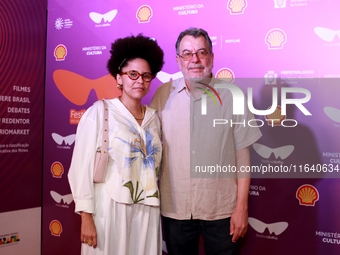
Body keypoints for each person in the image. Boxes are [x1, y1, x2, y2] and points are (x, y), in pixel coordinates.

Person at [150, 27, 262, 255]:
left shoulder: (233, 96)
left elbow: (243, 156)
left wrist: (241, 207)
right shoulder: (162, 95)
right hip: (176, 210)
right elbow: (148, 148)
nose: (195, 59)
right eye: (188, 54)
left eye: (202, 52)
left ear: (211, 57)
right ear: (178, 60)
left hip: (222, 210)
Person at [68, 34, 164, 255]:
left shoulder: (154, 119)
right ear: (119, 78)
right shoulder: (100, 112)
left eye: (146, 76)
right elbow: (80, 167)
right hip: (109, 210)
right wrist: (86, 216)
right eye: (133, 74)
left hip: (146, 211)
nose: (140, 80)